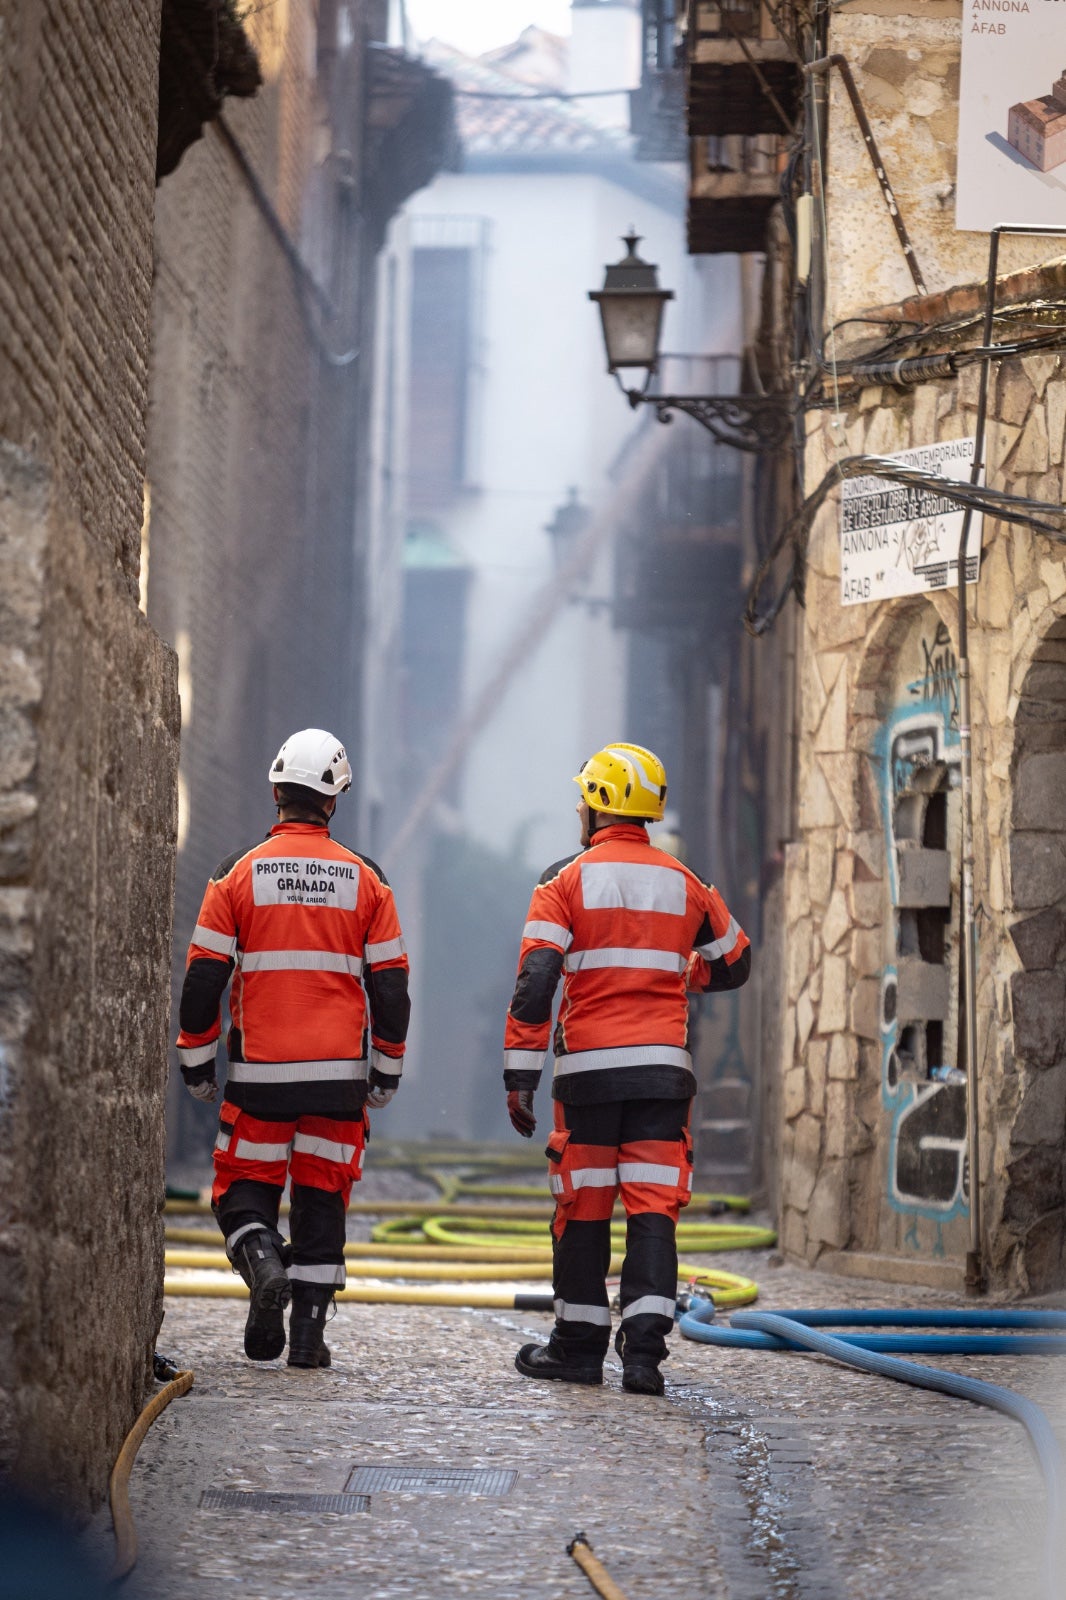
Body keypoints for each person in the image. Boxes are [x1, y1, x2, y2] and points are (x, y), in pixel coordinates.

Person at [503, 743, 750, 1395]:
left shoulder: (563, 882)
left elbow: (536, 982)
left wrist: (520, 1078)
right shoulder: (686, 881)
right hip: (663, 1079)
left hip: (588, 1078)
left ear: (599, 805)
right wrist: (681, 972)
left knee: (582, 1210)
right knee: (653, 1211)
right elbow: (734, 962)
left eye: (583, 799)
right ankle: (643, 1358)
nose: (577, 810)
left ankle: (578, 1350)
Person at [175, 728, 410, 1368]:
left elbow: (202, 979)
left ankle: (261, 1260)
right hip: (339, 1083)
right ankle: (307, 1338)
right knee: (322, 1198)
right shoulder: (369, 881)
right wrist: (385, 1072)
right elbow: (391, 989)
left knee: (242, 1190)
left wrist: (197, 1064)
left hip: (260, 1079)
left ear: (276, 791)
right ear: (333, 800)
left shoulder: (236, 874)